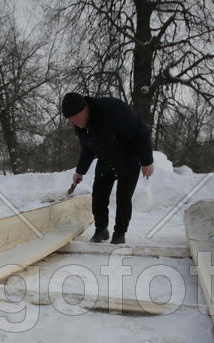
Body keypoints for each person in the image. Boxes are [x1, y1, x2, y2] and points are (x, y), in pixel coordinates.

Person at [61, 92, 154, 244]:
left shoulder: (112, 109)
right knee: (98, 196)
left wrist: (147, 161)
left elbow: (141, 131)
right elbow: (88, 148)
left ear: (84, 109)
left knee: (123, 198)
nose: (74, 123)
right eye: (70, 120)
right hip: (106, 159)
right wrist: (80, 171)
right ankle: (101, 230)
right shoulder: (81, 126)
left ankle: (119, 234)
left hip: (129, 157)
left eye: (75, 118)